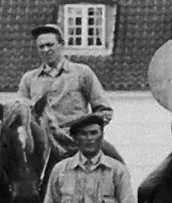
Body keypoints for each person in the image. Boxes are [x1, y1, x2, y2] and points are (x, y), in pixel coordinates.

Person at [18, 23, 121, 162]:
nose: (46, 50)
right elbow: (21, 115)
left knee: (114, 162)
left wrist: (85, 131)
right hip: (43, 145)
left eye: (50, 45)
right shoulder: (29, 79)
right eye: (41, 47)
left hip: (77, 143)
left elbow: (104, 111)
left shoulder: (82, 73)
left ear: (61, 45)